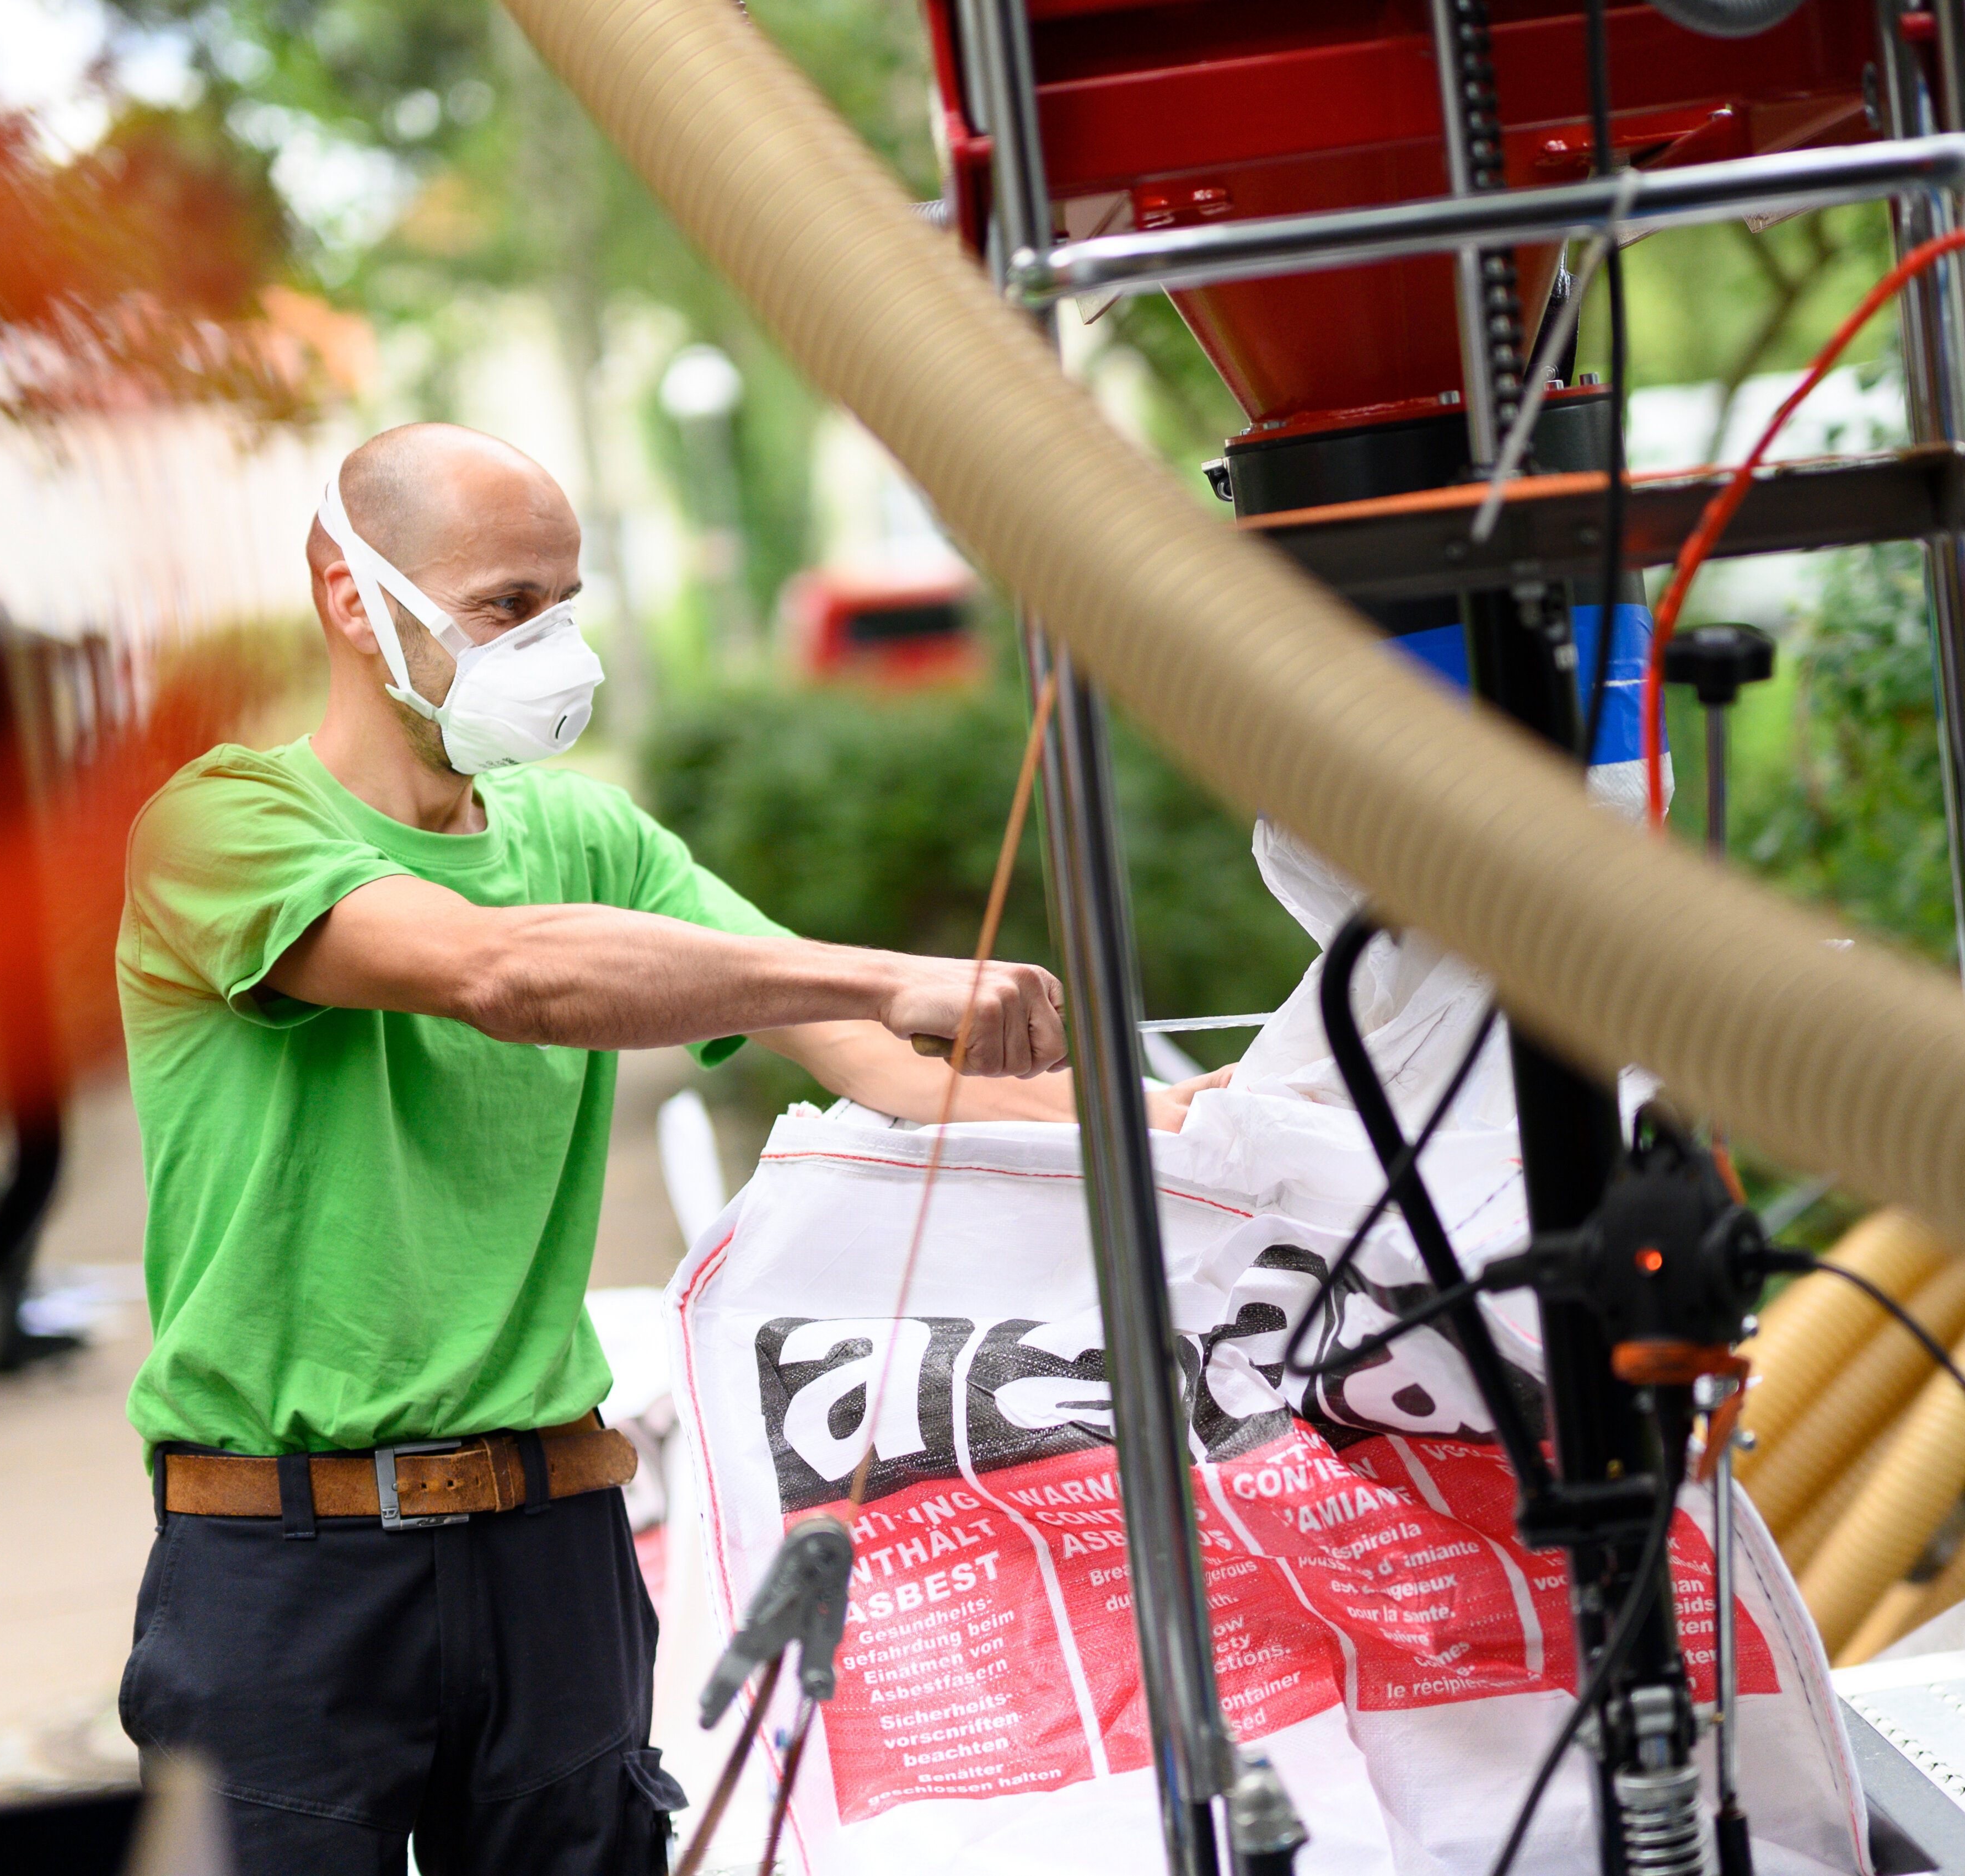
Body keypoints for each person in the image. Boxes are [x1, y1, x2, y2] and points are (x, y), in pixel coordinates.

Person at [112, 422, 1221, 1874]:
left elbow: (899, 1081)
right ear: (350, 594)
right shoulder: (220, 828)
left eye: (566, 605)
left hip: (555, 1549)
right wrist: (874, 969)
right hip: (284, 1567)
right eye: (508, 605)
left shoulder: (587, 840)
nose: (551, 645)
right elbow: (500, 974)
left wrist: (1206, 1127)